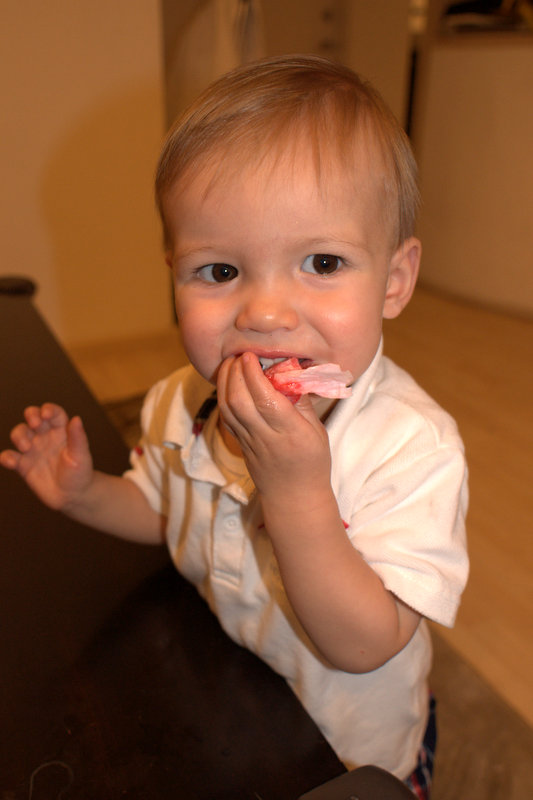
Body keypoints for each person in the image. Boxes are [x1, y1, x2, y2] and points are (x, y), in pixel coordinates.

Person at [0, 55, 468, 798]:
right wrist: (87, 493)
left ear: (394, 280)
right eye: (220, 272)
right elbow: (164, 508)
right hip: (233, 696)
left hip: (346, 752)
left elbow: (366, 644)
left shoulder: (410, 449)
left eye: (322, 262)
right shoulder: (181, 401)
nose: (265, 313)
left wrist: (296, 491)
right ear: (173, 277)